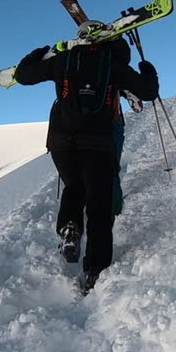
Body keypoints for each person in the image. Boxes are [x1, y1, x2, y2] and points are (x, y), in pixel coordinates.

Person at [14, 23, 160, 294]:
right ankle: (95, 270)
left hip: (62, 144)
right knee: (99, 207)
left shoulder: (64, 60)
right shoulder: (113, 64)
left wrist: (41, 52)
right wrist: (147, 69)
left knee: (74, 187)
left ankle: (70, 227)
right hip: (99, 144)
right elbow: (148, 91)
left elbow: (23, 75)